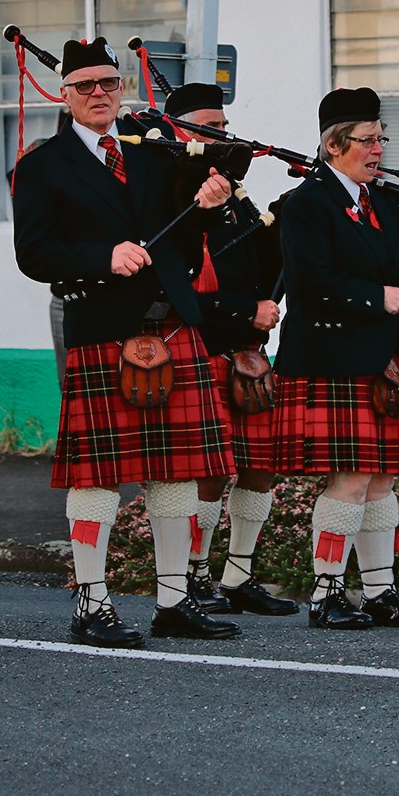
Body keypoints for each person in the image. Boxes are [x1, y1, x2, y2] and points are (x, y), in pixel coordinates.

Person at [12, 38, 241, 648]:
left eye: (109, 84)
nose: (99, 95)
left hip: (171, 323)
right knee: (98, 477)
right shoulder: (42, 165)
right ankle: (91, 603)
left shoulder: (154, 150)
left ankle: (174, 601)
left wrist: (208, 205)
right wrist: (101, 257)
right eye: (85, 86)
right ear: (64, 94)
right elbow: (33, 254)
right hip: (102, 327)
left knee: (177, 473)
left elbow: (185, 230)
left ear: (122, 89)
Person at [273, 87, 399, 629]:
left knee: (383, 479)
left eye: (380, 139)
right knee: (350, 480)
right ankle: (325, 593)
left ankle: (380, 591)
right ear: (334, 145)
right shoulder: (306, 204)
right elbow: (309, 281)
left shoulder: (379, 202)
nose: (377, 149)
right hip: (331, 357)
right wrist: (373, 297)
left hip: (380, 358)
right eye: (366, 140)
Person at [163, 82, 298, 617]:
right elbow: (177, 285)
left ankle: (238, 575)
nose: (222, 134)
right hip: (202, 347)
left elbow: (257, 261)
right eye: (209, 127)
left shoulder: (234, 193)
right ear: (178, 132)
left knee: (259, 467)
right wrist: (247, 311)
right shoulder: (173, 194)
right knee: (210, 471)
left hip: (247, 352)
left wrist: (289, 214)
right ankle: (195, 575)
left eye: (223, 126)